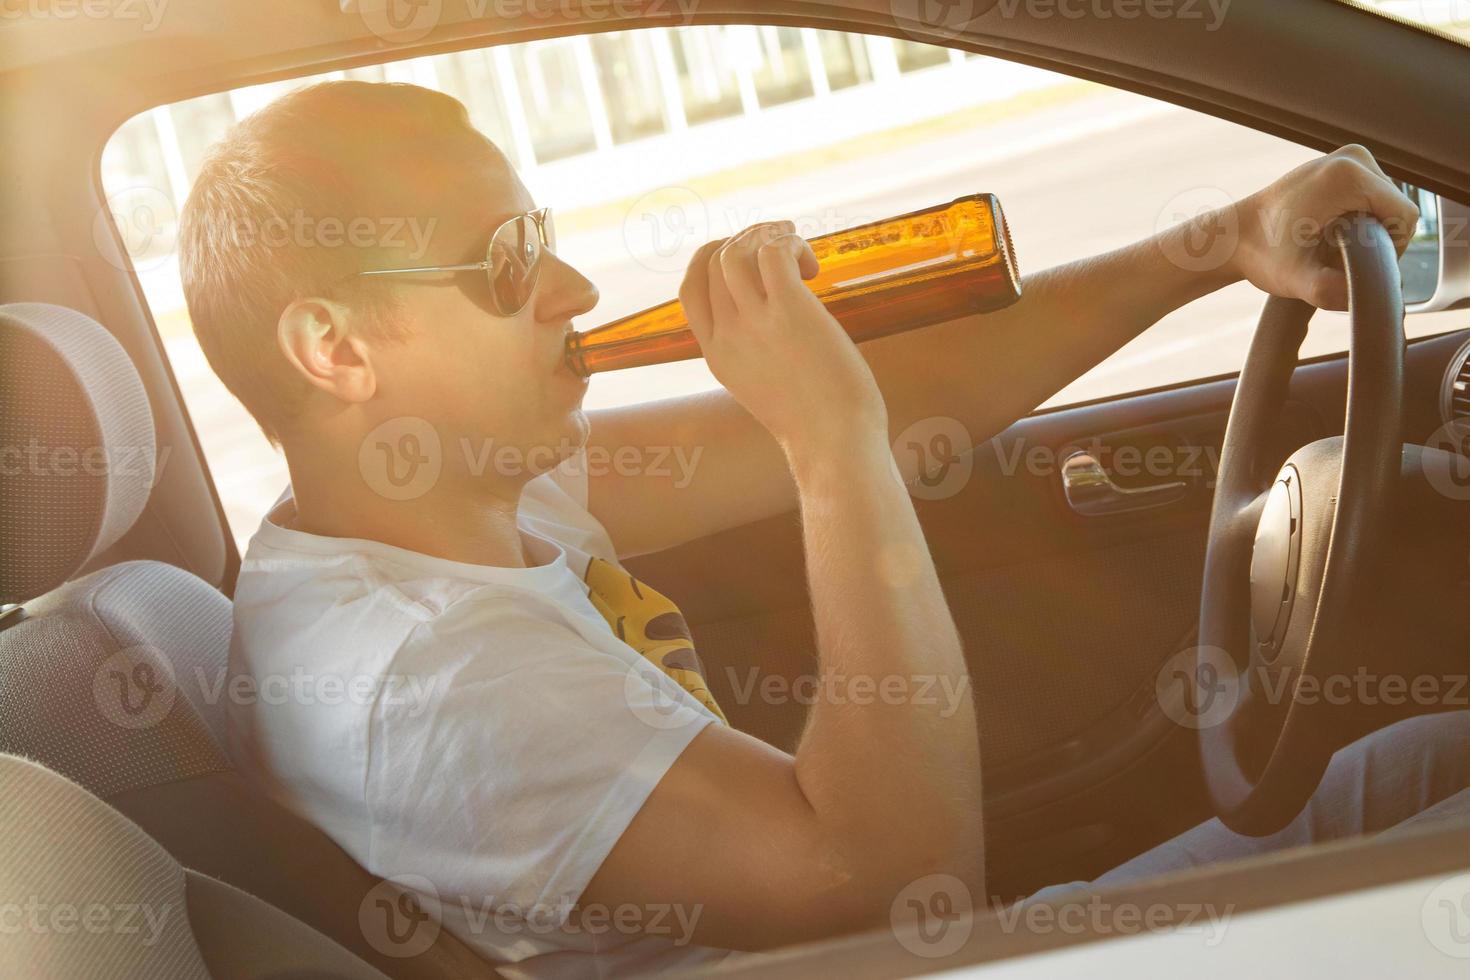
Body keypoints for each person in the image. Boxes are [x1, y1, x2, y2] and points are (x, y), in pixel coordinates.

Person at [178, 80, 1464, 977]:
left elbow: (921, 403)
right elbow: (900, 882)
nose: (572, 291)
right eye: (507, 263)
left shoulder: (420, 498)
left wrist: (1217, 242)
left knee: (1415, 770)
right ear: (336, 347)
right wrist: (825, 440)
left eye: (549, 239)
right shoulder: (432, 682)